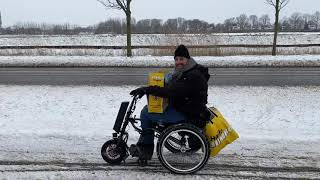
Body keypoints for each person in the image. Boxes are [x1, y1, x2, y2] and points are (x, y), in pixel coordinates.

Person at [129, 44, 210, 163]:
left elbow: (171, 91)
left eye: (181, 59)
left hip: (188, 113)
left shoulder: (192, 76)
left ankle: (145, 149)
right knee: (151, 109)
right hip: (188, 108)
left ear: (188, 59)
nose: (178, 62)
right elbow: (174, 87)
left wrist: (147, 89)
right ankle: (145, 144)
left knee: (146, 113)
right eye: (176, 59)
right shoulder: (188, 72)